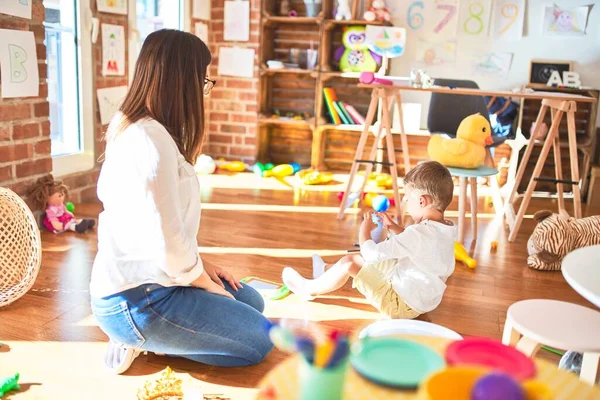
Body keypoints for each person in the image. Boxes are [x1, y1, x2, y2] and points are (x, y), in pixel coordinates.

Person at [89, 29, 273, 374]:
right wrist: (202, 279)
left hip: (161, 279)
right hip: (137, 299)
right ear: (182, 81)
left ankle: (164, 336)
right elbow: (168, 244)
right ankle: (140, 339)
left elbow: (164, 227)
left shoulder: (150, 130)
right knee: (259, 339)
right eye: (203, 81)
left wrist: (202, 266)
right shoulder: (148, 142)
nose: (205, 91)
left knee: (253, 302)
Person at [283, 161, 456, 319]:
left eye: (407, 198)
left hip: (400, 305)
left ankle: (308, 290)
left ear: (421, 201)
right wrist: (394, 228)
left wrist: (364, 230)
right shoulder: (445, 228)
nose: (406, 203)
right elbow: (422, 247)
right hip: (423, 300)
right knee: (371, 259)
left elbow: (372, 254)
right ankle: (326, 272)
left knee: (352, 261)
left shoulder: (417, 234)